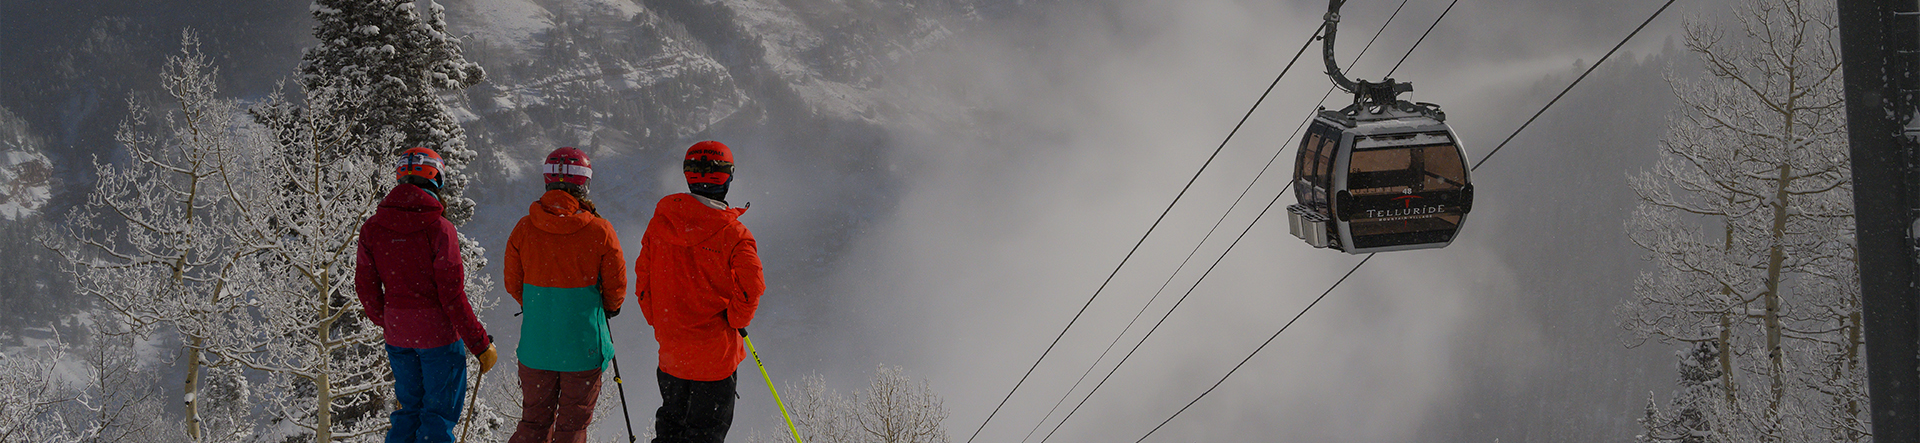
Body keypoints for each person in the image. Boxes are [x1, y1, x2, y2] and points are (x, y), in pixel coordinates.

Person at [356, 147, 498, 443]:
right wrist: (480, 344)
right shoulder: (440, 229)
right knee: (437, 417)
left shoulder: (372, 228)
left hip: (397, 335)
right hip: (438, 337)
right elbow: (451, 295)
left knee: (408, 410)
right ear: (438, 179)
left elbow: (366, 288)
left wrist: (391, 320)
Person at [636, 140, 766, 443]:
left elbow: (644, 279)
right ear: (728, 178)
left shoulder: (661, 223)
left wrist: (659, 320)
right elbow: (752, 286)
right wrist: (735, 319)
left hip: (671, 353)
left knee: (670, 429)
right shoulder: (734, 234)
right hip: (715, 358)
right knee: (704, 435)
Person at [504, 147, 628, 443]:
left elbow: (513, 284)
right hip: (582, 348)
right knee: (572, 428)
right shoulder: (599, 231)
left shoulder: (524, 228)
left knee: (533, 423)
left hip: (536, 346)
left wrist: (540, 305)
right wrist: (606, 308)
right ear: (584, 183)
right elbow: (616, 288)